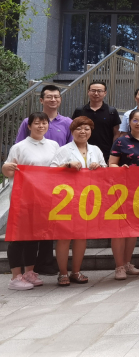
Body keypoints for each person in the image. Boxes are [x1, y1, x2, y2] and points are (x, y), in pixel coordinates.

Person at [17, 86, 72, 276]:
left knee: (51, 223)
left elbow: (70, 149)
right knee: (32, 225)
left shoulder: (67, 122)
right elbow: (18, 149)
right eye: (49, 97)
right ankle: (27, 266)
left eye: (56, 97)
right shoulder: (28, 122)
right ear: (41, 100)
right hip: (31, 185)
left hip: (56, 183)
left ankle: (46, 262)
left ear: (60, 100)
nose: (53, 100)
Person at [3, 113, 59, 290]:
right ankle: (15, 277)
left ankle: (29, 272)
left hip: (44, 198)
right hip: (23, 199)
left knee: (34, 236)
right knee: (18, 237)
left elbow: (58, 168)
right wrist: (6, 168)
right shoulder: (19, 147)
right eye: (37, 123)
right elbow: (8, 171)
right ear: (29, 126)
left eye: (44, 123)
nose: (41, 126)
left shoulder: (54, 145)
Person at [50, 116, 107, 286]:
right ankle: (62, 273)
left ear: (91, 131)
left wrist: (99, 167)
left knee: (81, 236)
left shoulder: (96, 149)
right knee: (64, 237)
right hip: (67, 199)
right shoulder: (63, 150)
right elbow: (51, 171)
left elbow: (105, 170)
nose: (83, 132)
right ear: (72, 131)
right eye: (79, 128)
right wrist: (67, 165)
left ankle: (76, 271)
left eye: (87, 129)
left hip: (88, 198)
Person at [108, 108, 139, 280]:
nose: (138, 123)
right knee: (119, 229)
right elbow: (111, 164)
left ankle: (128, 263)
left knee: (133, 228)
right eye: (135, 120)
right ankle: (119, 266)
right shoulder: (121, 141)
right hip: (122, 190)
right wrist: (120, 169)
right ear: (129, 122)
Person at [71, 81, 121, 162]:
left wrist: (113, 152)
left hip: (105, 153)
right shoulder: (80, 111)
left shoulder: (111, 111)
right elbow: (73, 130)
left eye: (99, 91)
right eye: (93, 90)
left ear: (105, 93)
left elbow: (116, 133)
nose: (96, 93)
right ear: (88, 92)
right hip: (82, 152)